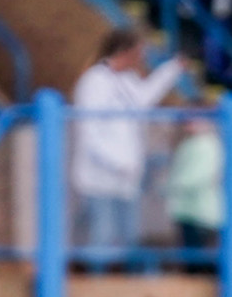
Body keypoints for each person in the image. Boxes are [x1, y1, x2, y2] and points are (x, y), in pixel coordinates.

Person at [70, 27, 185, 268]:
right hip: (99, 178)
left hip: (127, 178)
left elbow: (144, 99)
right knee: (101, 237)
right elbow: (89, 131)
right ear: (125, 51)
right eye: (139, 52)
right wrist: (115, 161)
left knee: (128, 238)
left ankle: (122, 292)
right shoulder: (94, 81)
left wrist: (171, 70)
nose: (142, 58)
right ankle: (94, 289)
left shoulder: (128, 81)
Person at [166, 117, 224, 266]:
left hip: (201, 212)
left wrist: (170, 186)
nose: (190, 122)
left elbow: (196, 176)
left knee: (200, 258)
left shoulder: (207, 144)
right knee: (191, 254)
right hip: (188, 210)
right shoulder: (190, 143)